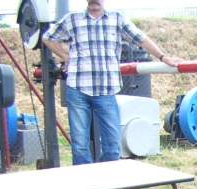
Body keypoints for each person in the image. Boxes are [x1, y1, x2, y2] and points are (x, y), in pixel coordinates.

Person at [43, 0, 181, 165]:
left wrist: (163, 57)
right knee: (80, 146)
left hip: (107, 89)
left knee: (113, 146)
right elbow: (48, 38)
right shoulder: (72, 19)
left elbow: (141, 39)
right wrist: (66, 56)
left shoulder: (117, 18)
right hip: (78, 88)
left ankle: (107, 177)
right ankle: (85, 180)